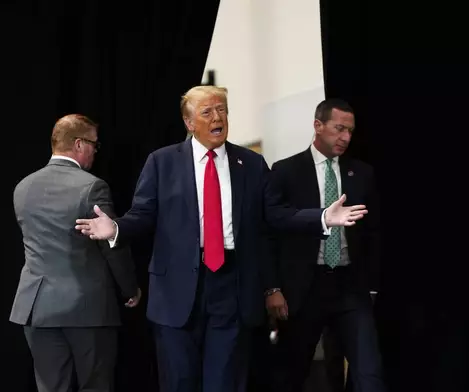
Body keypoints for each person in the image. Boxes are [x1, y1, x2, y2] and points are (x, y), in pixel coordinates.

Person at [74, 86, 368, 392]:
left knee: (225, 382)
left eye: (222, 109)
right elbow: (142, 216)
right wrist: (116, 229)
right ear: (189, 123)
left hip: (232, 287)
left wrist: (321, 217)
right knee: (179, 382)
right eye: (207, 112)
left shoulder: (251, 164)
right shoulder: (162, 162)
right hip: (177, 289)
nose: (218, 117)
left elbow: (277, 215)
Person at [9, 114, 141, 392]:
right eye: (94, 144)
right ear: (79, 144)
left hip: (37, 309)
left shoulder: (23, 187)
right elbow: (110, 243)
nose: (95, 151)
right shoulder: (92, 187)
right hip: (86, 310)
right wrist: (130, 288)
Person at [265, 98, 385, 392]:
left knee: (369, 372)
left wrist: (371, 285)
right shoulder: (286, 171)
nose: (345, 137)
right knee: (293, 371)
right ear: (318, 126)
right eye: (339, 129)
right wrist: (273, 288)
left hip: (350, 285)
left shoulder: (362, 173)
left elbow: (374, 232)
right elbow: (272, 226)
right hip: (305, 286)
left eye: (350, 131)